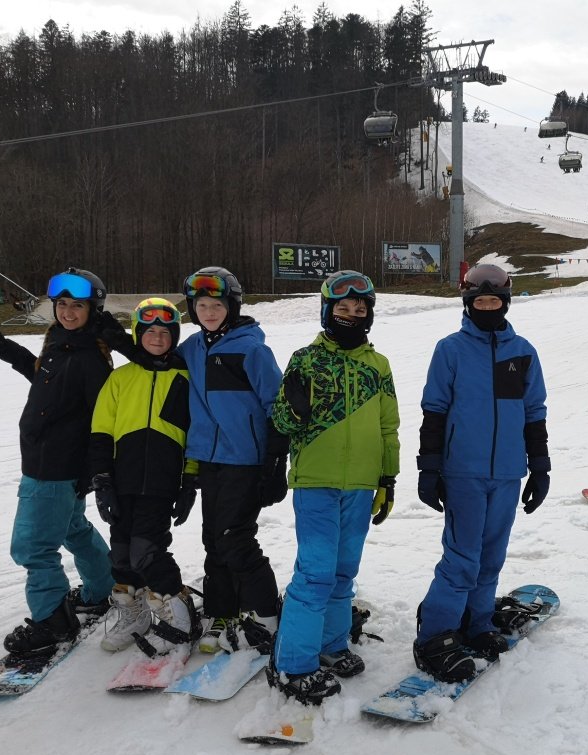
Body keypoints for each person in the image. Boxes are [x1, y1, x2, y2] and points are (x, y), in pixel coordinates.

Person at [267, 271, 400, 705]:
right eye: (343, 308)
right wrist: (294, 409)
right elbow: (280, 422)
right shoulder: (305, 359)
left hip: (361, 484)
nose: (352, 314)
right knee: (316, 572)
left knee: (344, 571)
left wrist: (388, 477)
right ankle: (294, 664)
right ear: (328, 311)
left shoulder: (378, 365)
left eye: (360, 309)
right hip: (316, 482)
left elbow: (388, 426)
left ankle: (331, 643)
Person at [413, 264, 550, 683]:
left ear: (505, 304)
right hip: (463, 472)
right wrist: (429, 467)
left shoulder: (522, 352)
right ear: (468, 304)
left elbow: (533, 413)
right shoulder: (450, 350)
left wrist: (539, 467)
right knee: (462, 558)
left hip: (507, 472)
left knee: (491, 555)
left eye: (494, 302)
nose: (487, 308)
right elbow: (434, 411)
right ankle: (435, 634)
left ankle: (477, 621)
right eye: (480, 302)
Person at [0, 268, 116, 654]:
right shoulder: (62, 342)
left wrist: (93, 470)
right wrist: (11, 352)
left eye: (77, 306)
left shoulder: (90, 357)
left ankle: (52, 622)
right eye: (62, 304)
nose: (68, 312)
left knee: (33, 547)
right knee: (73, 529)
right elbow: (47, 381)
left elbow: (102, 419)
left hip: (54, 467)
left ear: (93, 310)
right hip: (50, 460)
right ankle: (102, 589)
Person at [180, 267, 286, 654]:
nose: (209, 313)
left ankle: (264, 612)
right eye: (201, 306)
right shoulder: (192, 348)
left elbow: (277, 405)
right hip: (210, 460)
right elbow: (153, 358)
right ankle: (222, 610)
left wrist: (275, 461)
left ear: (232, 306)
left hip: (245, 460)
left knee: (235, 538)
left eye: (217, 305)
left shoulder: (252, 350)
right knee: (213, 537)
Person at [89, 298, 200, 655]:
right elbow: (101, 432)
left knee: (146, 552)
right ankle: (134, 614)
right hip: (122, 479)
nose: (156, 337)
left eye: (164, 332)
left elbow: (196, 435)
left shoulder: (185, 379)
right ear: (137, 335)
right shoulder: (120, 378)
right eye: (149, 331)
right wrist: (102, 480)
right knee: (121, 554)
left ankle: (179, 614)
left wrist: (189, 482)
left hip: (161, 483)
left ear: (174, 337)